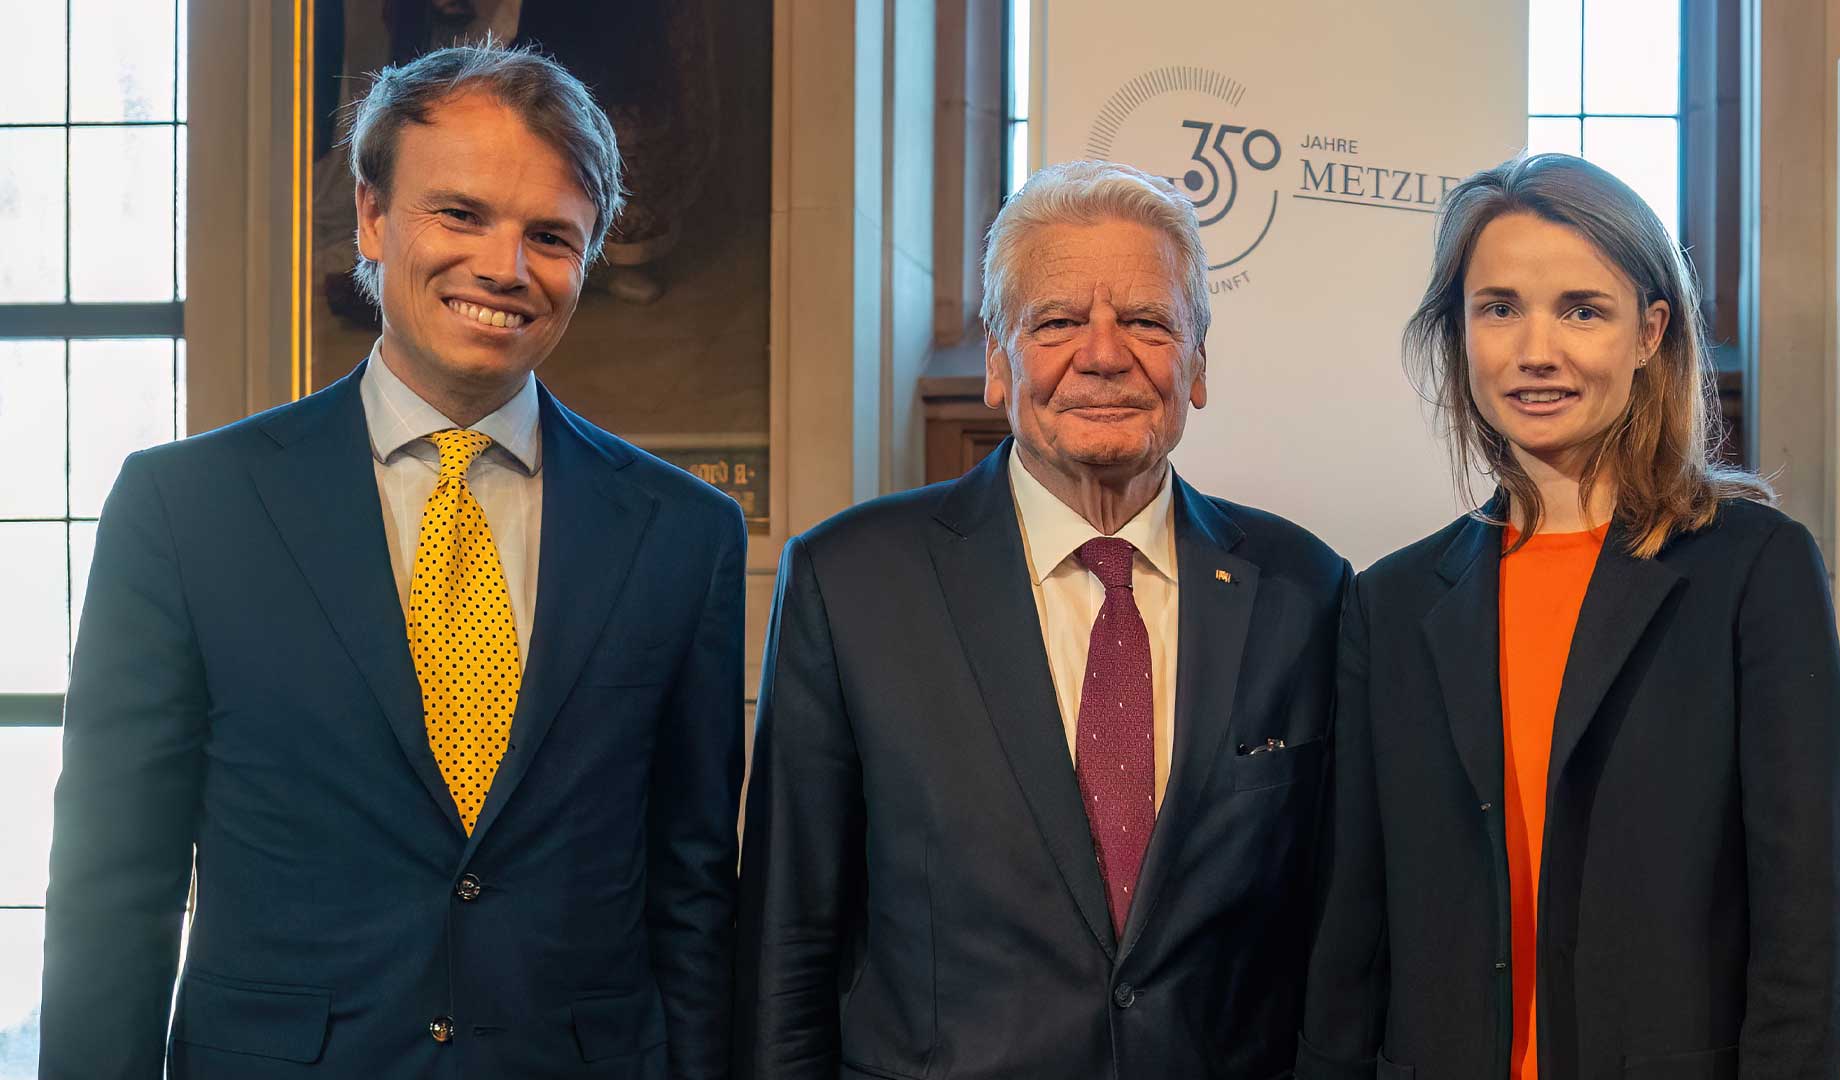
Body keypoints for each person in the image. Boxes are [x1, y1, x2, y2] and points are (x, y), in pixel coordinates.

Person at [41, 44, 744, 1079]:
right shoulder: (186, 511)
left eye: (549, 235)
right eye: (460, 214)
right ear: (372, 217)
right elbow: (115, 886)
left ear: (588, 257)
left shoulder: (682, 534)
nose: (505, 267)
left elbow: (691, 895)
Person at [733, 160, 1349, 1078]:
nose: (1103, 355)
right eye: (1057, 322)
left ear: (1200, 364)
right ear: (997, 360)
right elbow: (790, 937)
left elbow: (1335, 934)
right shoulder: (852, 581)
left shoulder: (1304, 588)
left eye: (1147, 322)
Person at [1297, 153, 1840, 1080]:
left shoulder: (1754, 569)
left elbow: (1802, 926)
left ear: (1650, 332)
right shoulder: (1388, 603)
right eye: (1499, 307)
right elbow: (1351, 925)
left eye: (1582, 310)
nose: (1536, 349)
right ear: (1460, 334)